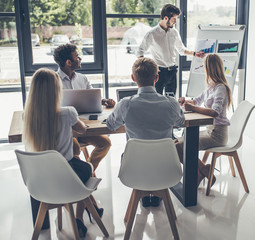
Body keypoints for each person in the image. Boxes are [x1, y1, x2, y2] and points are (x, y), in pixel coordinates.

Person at [106, 57, 212, 207]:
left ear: (133, 78)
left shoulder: (125, 104)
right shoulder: (171, 103)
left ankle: (144, 189)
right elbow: (181, 123)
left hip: (134, 167)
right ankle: (157, 190)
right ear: (157, 77)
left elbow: (110, 125)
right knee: (167, 147)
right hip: (166, 166)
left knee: (135, 154)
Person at [23, 68, 103, 238]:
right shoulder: (68, 113)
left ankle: (49, 224)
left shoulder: (28, 116)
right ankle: (79, 217)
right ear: (56, 89)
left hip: (39, 180)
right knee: (86, 167)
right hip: (67, 179)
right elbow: (82, 130)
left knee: (75, 157)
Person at [54, 43, 113, 171]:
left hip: (84, 126)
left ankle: (89, 169)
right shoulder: (54, 80)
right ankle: (78, 175)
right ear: (69, 62)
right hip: (67, 129)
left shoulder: (82, 78)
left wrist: (104, 101)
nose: (80, 59)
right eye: (77, 56)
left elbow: (92, 96)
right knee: (74, 148)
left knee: (105, 143)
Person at [177, 53, 233, 186]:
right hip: (210, 131)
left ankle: (204, 170)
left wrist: (193, 108)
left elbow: (214, 112)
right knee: (174, 144)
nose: (203, 69)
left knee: (179, 147)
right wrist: (186, 101)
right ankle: (204, 170)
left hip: (217, 134)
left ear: (210, 68)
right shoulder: (211, 87)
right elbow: (196, 101)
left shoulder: (221, 88)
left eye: (204, 66)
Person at [137, 3, 204, 96]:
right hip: (159, 73)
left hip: (172, 71)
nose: (175, 22)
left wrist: (194, 53)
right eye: (174, 19)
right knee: (157, 101)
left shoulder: (174, 32)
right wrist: (149, 68)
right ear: (165, 18)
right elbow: (140, 51)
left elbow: (181, 50)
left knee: (171, 100)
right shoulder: (152, 34)